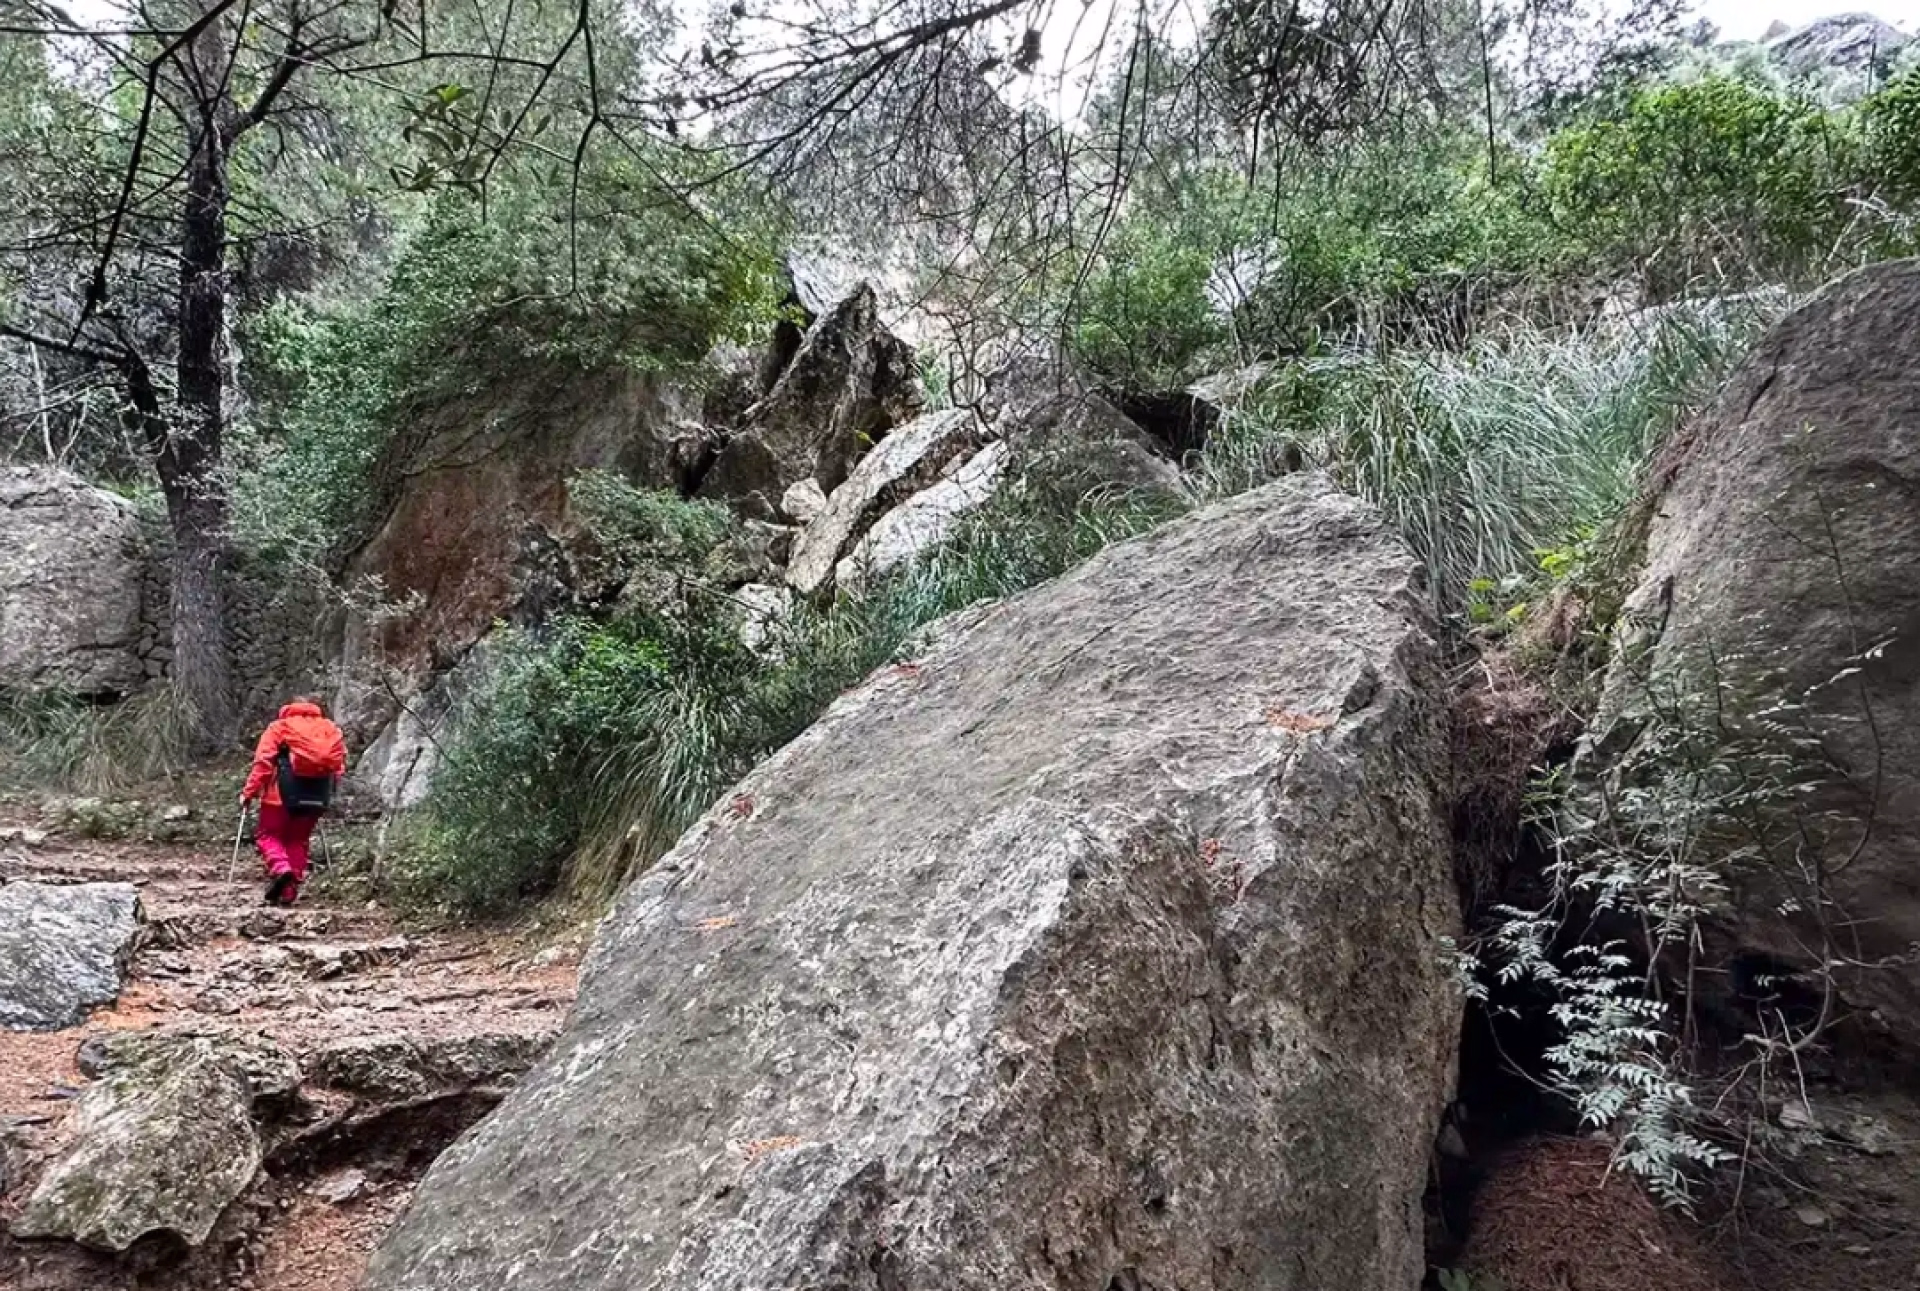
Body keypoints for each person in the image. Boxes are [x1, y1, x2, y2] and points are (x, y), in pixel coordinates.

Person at [241, 696, 347, 907]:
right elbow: (339, 766)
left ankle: (281, 869)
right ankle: (289, 891)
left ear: (288, 708)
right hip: (317, 794)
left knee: (268, 835)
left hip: (278, 796)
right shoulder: (329, 728)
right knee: (298, 840)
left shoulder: (280, 728)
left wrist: (249, 792)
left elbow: (263, 762)